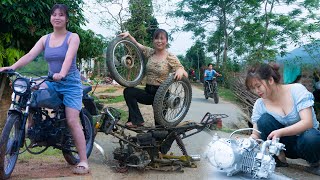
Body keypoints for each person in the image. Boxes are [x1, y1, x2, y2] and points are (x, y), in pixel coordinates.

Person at [0, 4, 89, 174]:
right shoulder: (45, 39)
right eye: (54, 14)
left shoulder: (73, 37)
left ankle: (84, 161)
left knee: (71, 120)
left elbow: (69, 58)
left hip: (69, 83)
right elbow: (30, 55)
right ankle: (34, 131)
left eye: (61, 15)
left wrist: (62, 73)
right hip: (50, 80)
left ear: (67, 19)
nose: (57, 17)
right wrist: (11, 67)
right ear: (50, 18)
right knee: (29, 91)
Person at [245, 63, 320, 175]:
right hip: (283, 147)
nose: (256, 91)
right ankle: (278, 160)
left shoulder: (296, 90)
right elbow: (256, 134)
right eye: (253, 88)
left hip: (307, 143)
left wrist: (280, 132)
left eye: (258, 86)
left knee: (311, 136)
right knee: (264, 120)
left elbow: (308, 122)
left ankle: (315, 163)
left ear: (270, 80)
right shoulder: (260, 104)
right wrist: (246, 143)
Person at [118, 29, 188, 128]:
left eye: (162, 38)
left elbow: (184, 73)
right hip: (149, 92)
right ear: (153, 40)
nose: (159, 41)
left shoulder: (170, 57)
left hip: (162, 95)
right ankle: (137, 120)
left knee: (159, 128)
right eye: (156, 38)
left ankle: (162, 141)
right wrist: (128, 35)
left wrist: (180, 70)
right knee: (129, 92)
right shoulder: (150, 52)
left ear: (166, 41)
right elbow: (137, 44)